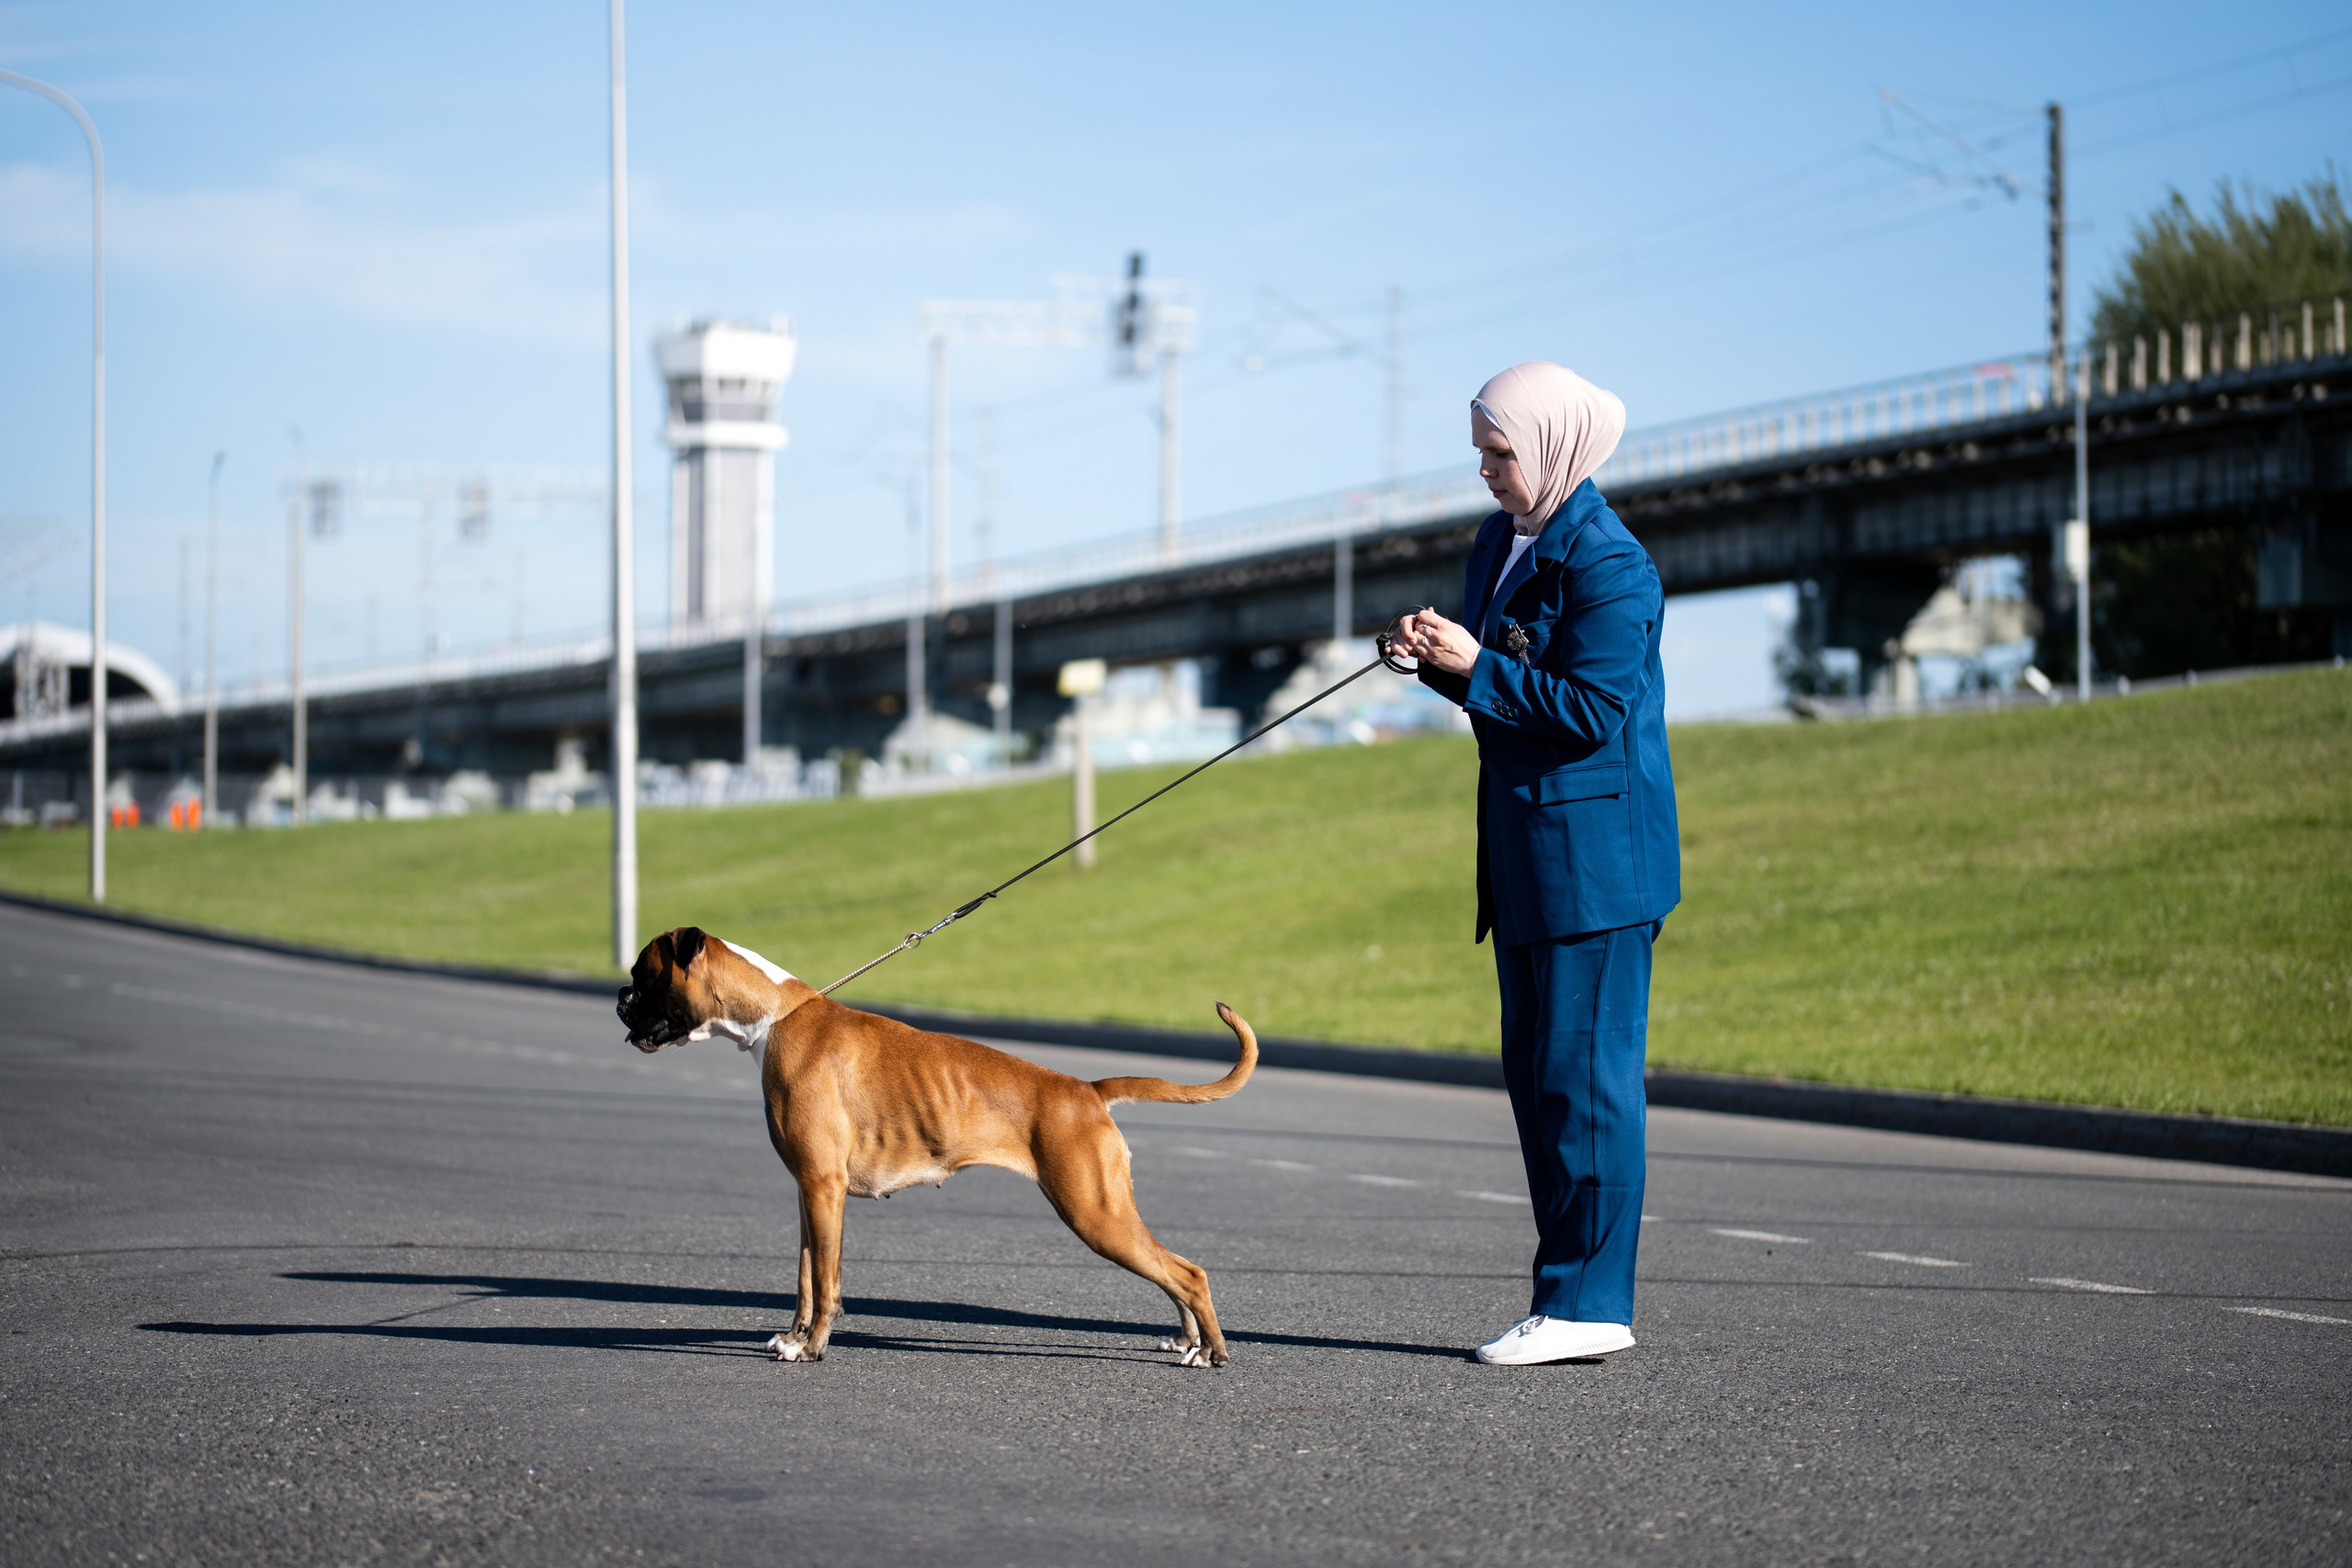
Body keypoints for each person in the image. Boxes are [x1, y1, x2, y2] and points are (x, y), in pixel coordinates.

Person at [1385, 361, 1680, 1366]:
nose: (1484, 470)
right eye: (1479, 449)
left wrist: (1476, 666)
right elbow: (1499, 691)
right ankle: (1567, 1298)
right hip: (1522, 860)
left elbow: (1592, 713)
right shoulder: (1499, 542)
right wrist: (1432, 659)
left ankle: (1590, 1304)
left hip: (1596, 868)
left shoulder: (1612, 566)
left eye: (1498, 451)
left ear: (1554, 446)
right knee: (1538, 1081)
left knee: (1585, 1086)